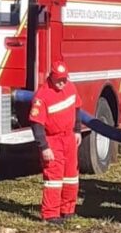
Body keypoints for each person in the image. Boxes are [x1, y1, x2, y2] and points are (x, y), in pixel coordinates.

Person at [28, 60, 82, 224]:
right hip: (52, 140)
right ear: (51, 77)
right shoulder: (42, 96)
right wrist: (44, 147)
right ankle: (51, 214)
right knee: (54, 178)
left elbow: (77, 108)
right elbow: (36, 124)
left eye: (64, 79)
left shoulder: (70, 87)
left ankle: (68, 210)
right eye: (59, 79)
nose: (62, 82)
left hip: (69, 137)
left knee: (71, 176)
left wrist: (77, 130)